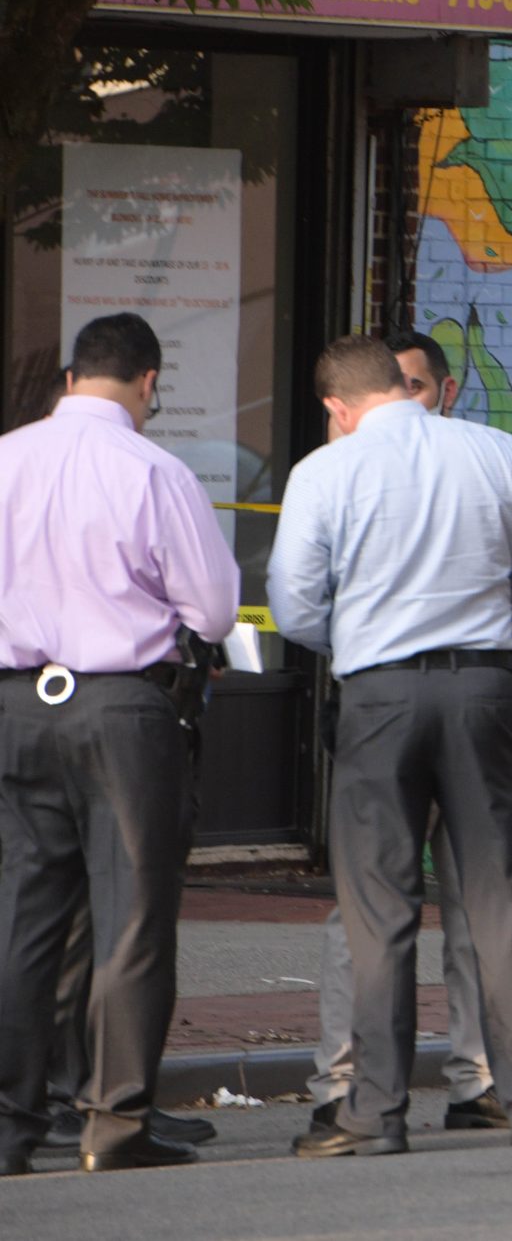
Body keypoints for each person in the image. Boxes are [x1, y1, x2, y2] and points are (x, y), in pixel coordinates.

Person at [268, 335, 512, 1156]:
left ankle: (375, 1113)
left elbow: (295, 607)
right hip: (483, 688)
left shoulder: (324, 472)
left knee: (380, 912)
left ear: (338, 407)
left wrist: (363, 626)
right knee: (500, 898)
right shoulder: (496, 451)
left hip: (377, 694)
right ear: (412, 390)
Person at [0, 312, 238, 1173]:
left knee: (24, 917)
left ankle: (9, 1124)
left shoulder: (5, 458)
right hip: (123, 709)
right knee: (132, 918)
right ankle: (116, 1121)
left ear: (69, 379)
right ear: (147, 382)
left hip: (19, 704)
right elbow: (212, 609)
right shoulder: (155, 469)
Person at [304, 329, 507, 1136]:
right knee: (363, 910)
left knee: (477, 903)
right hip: (377, 703)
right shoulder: (339, 474)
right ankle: (342, 1082)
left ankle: (480, 1078)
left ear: (444, 392)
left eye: (418, 385)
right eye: (394, 386)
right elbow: (302, 591)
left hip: (463, 697)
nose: (406, 401)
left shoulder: (477, 462)